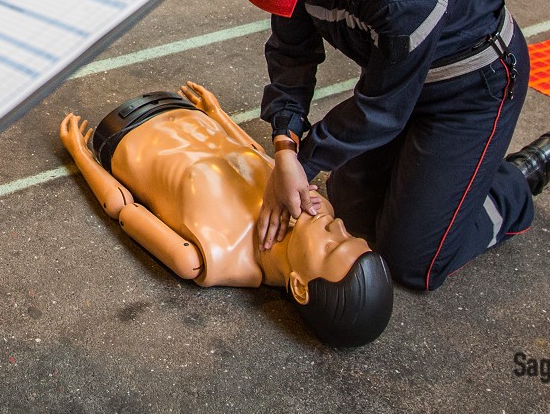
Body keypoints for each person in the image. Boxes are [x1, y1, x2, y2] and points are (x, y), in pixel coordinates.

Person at [228, 0, 550, 292]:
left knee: (413, 262)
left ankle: (513, 184)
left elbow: (380, 111)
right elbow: (291, 53)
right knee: (351, 208)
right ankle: (451, 178)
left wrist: (303, 163)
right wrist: (285, 144)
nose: (285, 0)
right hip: (397, 79)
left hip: (470, 92)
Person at [61, 83, 393, 347]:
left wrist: (81, 154)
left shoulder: (210, 257)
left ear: (300, 287)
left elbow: (122, 208)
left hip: (123, 132)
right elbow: (259, 154)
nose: (335, 225)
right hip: (184, 109)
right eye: (348, 233)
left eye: (332, 246)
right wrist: (217, 113)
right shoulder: (308, 204)